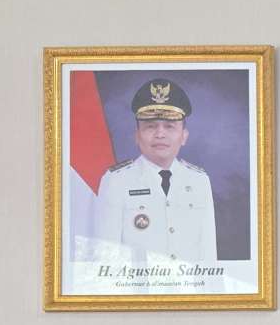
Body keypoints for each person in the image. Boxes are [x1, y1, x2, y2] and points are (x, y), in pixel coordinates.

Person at [91, 78, 218, 263]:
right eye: (150, 126)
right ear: (137, 135)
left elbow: (208, 257)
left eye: (169, 126)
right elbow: (106, 258)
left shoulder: (199, 181)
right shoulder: (116, 181)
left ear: (184, 136)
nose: (160, 134)